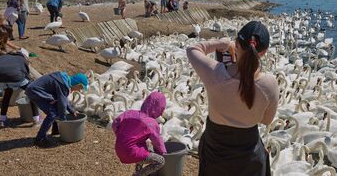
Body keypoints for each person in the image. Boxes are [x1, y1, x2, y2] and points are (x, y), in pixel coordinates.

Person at [186, 21, 278, 176]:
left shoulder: (215, 72)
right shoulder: (270, 84)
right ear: (264, 52)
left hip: (215, 153)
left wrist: (223, 43)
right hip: (249, 158)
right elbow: (266, 120)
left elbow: (192, 49)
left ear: (236, 44)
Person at [26, 71, 88, 148]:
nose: (79, 91)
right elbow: (62, 103)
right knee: (52, 114)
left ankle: (55, 130)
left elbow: (63, 99)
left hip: (36, 89)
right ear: (78, 84)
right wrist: (63, 119)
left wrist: (72, 111)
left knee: (56, 108)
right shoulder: (63, 84)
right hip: (35, 92)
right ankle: (40, 139)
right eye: (80, 88)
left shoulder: (63, 79)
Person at [112, 91, 167, 176]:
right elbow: (157, 141)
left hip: (119, 148)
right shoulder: (151, 123)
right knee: (160, 161)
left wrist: (121, 136)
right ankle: (138, 174)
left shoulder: (129, 113)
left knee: (146, 145)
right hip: (131, 152)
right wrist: (163, 152)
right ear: (159, 109)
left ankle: (138, 170)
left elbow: (114, 123)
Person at [0, 49, 39, 127]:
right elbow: (26, 75)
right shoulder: (22, 59)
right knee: (32, 92)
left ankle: (2, 120)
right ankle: (36, 119)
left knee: (7, 94)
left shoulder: (4, 57)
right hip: (15, 76)